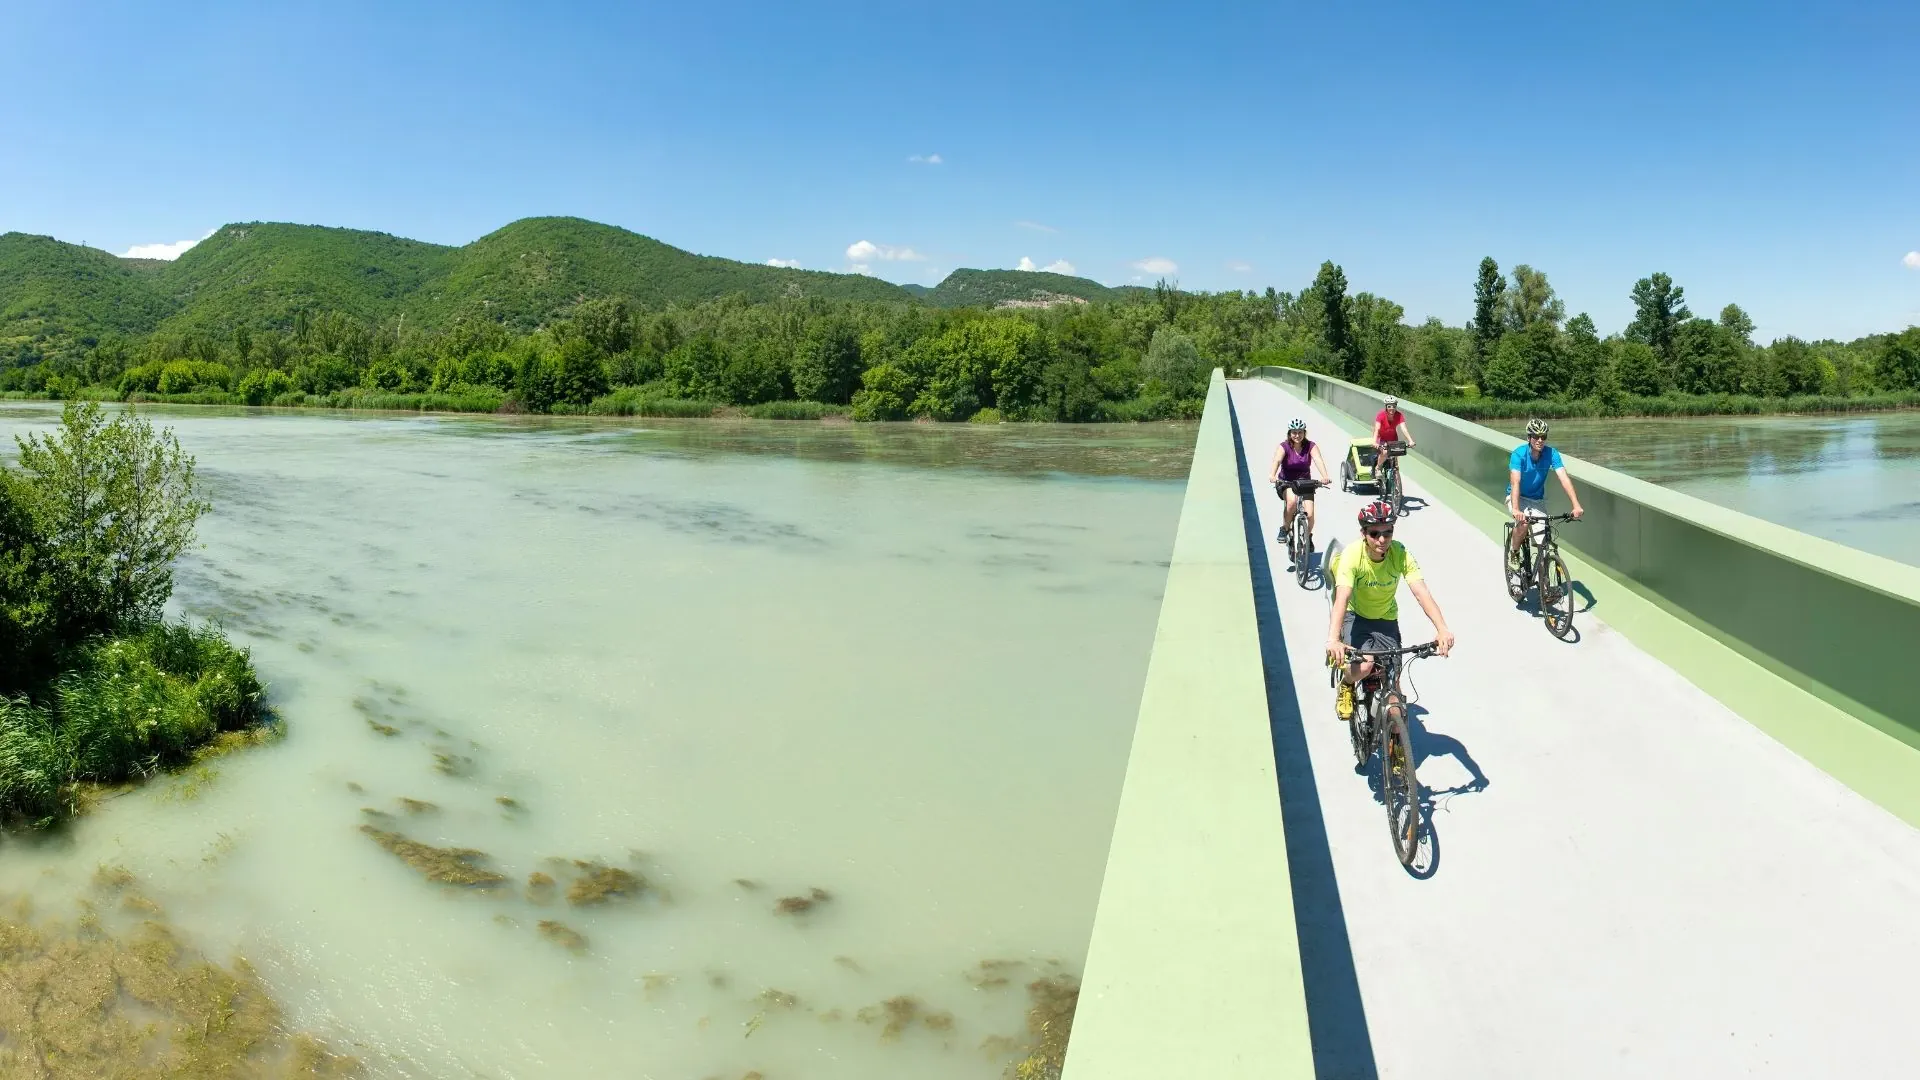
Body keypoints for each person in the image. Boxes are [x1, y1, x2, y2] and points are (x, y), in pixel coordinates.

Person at [1325, 501, 1455, 721]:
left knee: (1395, 697)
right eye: (1374, 533)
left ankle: (1396, 738)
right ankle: (1346, 683)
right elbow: (1342, 597)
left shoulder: (1400, 553)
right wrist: (1333, 639)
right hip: (1355, 616)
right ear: (1364, 534)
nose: (1382, 540)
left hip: (1386, 619)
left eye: (1387, 532)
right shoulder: (1352, 555)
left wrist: (1442, 629)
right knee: (1365, 665)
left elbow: (1421, 593)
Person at [1506, 417, 1585, 567]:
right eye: (1536, 436)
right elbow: (1515, 482)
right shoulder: (1518, 454)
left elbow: (1564, 478)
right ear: (1529, 438)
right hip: (1517, 497)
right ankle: (1514, 551)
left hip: (1536, 500)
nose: (1540, 440)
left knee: (1543, 541)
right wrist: (1516, 509)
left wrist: (1576, 505)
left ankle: (1543, 577)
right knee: (1523, 524)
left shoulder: (1552, 454)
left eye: (1543, 436)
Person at [1268, 418, 1332, 565]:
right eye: (1294, 432)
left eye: (1300, 432)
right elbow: (1277, 460)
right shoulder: (1284, 446)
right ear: (1289, 433)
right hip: (1287, 482)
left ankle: (1308, 537)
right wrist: (1272, 474)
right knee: (1291, 502)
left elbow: (1318, 460)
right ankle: (1285, 529)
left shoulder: (1311, 446)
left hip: (1304, 483)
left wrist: (1325, 476)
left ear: (1304, 433)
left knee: (1310, 514)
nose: (1297, 435)